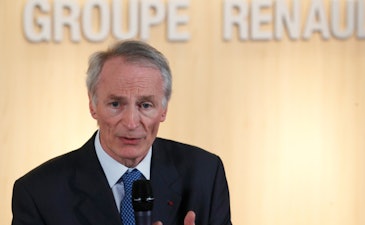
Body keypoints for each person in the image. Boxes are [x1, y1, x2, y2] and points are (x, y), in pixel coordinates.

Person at [12, 40, 232, 225]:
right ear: (92, 105)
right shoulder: (38, 193)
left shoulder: (205, 174)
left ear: (163, 109)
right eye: (116, 104)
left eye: (145, 105)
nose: (131, 122)